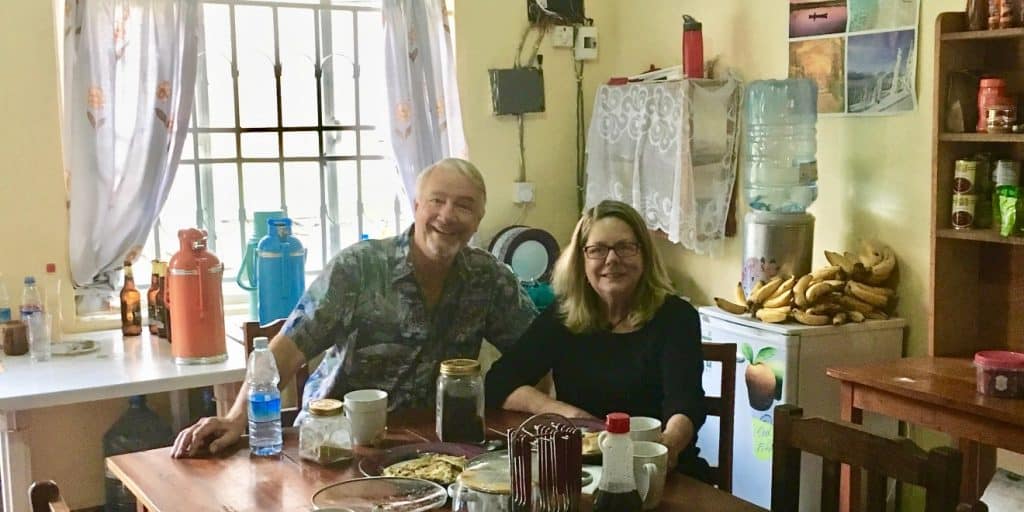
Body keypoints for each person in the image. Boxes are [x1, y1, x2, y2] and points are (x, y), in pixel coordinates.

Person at [172, 158, 537, 458]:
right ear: (416, 207)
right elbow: (286, 348)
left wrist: (552, 410)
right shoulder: (359, 268)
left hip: (437, 449)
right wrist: (237, 419)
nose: (448, 215)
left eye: (464, 206)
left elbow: (537, 350)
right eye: (437, 201)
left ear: (479, 219)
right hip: (336, 446)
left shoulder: (488, 279)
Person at [485, 199, 710, 481]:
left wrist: (667, 446)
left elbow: (685, 402)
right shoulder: (562, 317)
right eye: (597, 250)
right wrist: (572, 416)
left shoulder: (676, 317)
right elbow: (498, 382)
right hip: (581, 471)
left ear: (645, 256)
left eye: (625, 247)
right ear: (581, 259)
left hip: (659, 470)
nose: (612, 259)